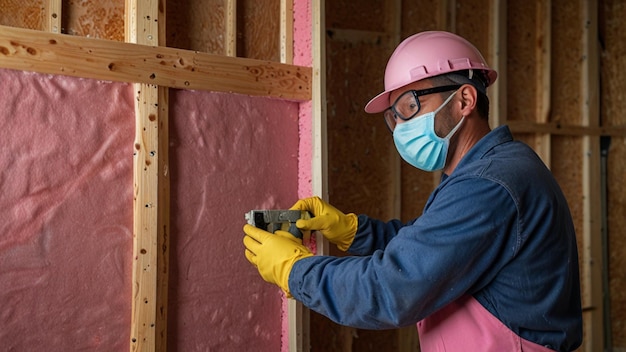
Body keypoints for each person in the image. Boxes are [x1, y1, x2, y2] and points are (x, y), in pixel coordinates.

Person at [243, 31, 583, 351]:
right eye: (394, 116)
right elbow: (433, 247)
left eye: (409, 106)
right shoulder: (493, 169)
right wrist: (354, 232)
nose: (401, 127)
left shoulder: (488, 184)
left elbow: (390, 288)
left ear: (464, 99)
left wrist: (293, 270)